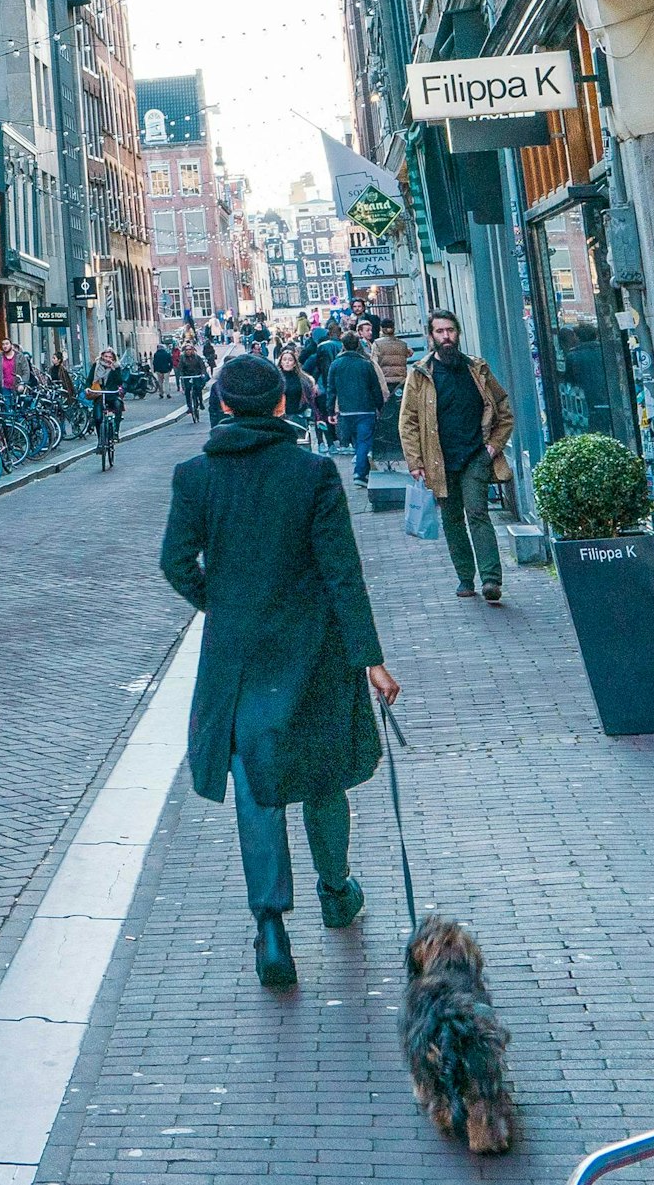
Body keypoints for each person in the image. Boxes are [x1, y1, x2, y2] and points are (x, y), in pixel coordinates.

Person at [159, 355, 398, 992]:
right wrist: (369, 657)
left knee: (256, 791)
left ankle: (271, 928)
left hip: (237, 663)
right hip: (313, 650)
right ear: (282, 405)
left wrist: (222, 604)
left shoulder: (195, 477)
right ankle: (336, 890)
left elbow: (175, 563)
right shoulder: (314, 474)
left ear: (225, 406)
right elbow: (342, 573)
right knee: (322, 778)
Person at [398, 311, 517, 605]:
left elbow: (503, 408)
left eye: (450, 330)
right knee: (452, 519)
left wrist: (493, 446)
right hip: (439, 458)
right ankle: (465, 577)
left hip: (476, 454)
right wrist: (415, 462)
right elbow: (408, 421)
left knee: (477, 512)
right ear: (431, 337)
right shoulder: (420, 374)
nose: (446, 337)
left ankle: (491, 579)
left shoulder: (477, 369)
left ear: (458, 333)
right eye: (439, 332)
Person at [325, 328, 388, 486]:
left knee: (358, 442)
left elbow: (331, 389)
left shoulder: (336, 364)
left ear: (343, 345)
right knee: (364, 441)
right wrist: (381, 407)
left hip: (346, 410)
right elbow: (375, 388)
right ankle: (360, 473)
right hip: (365, 408)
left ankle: (363, 472)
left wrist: (330, 410)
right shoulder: (365, 364)